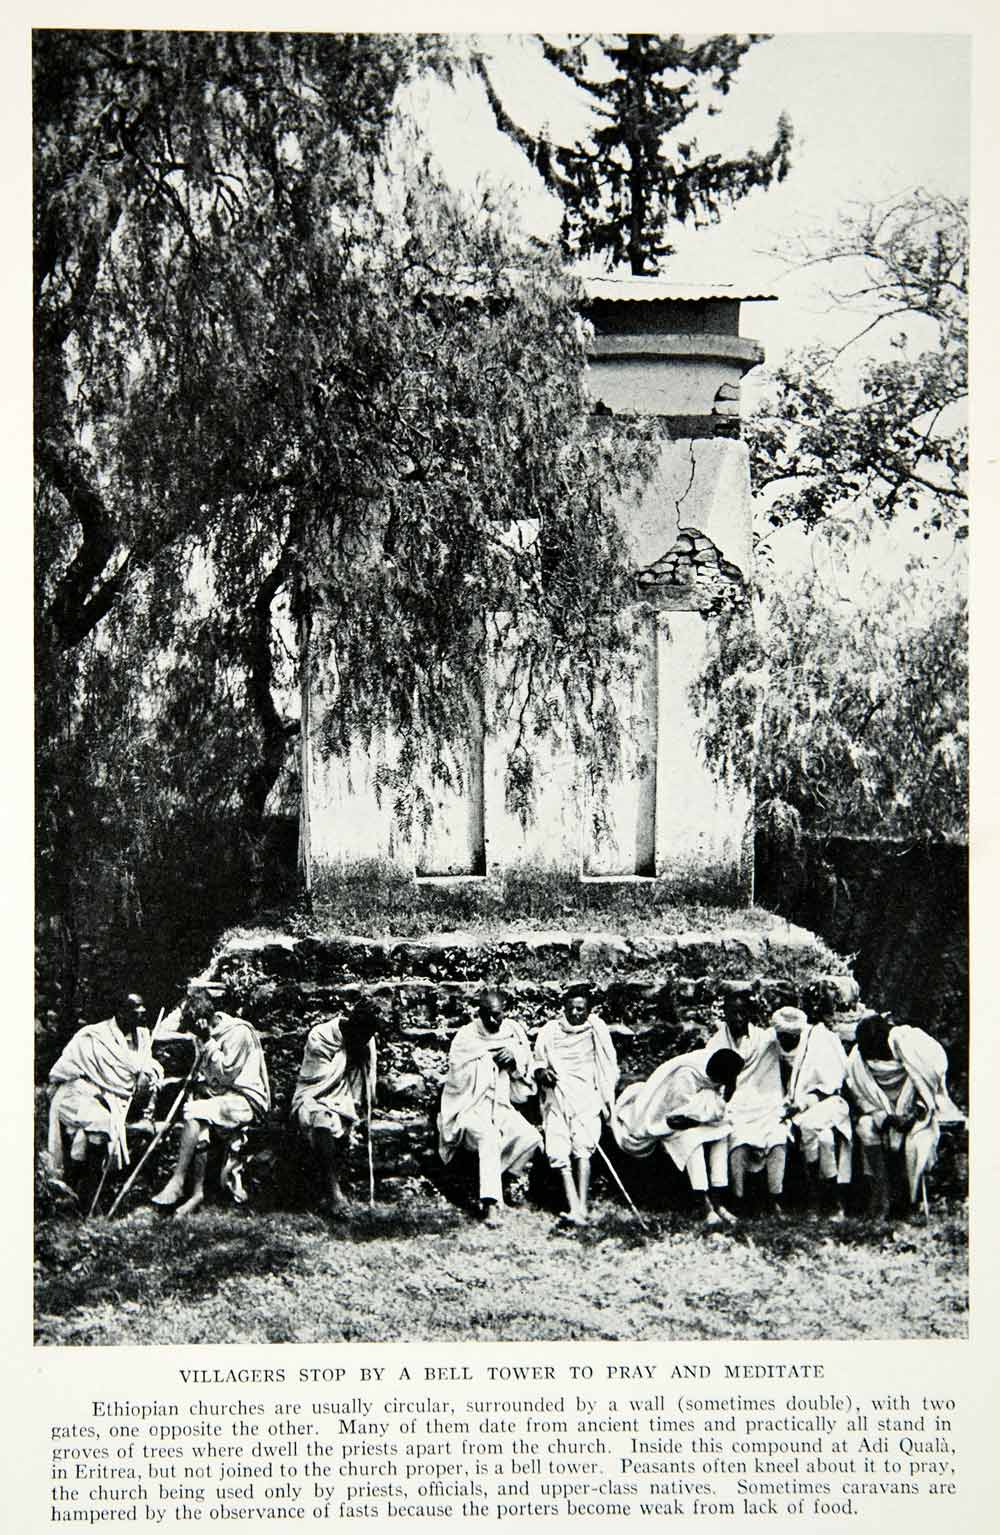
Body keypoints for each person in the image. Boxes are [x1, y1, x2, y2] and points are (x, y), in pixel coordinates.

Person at [152, 985, 270, 1217]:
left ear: (207, 1020)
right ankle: (196, 1194)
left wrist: (207, 1041)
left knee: (195, 1111)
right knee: (200, 1127)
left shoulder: (239, 1032)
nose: (195, 1034)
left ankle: (177, 1179)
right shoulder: (202, 1033)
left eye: (197, 1028)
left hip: (245, 1099)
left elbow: (226, 1074)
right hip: (220, 1099)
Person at [45, 991, 162, 1209]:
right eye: (135, 1008)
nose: (142, 1011)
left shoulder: (144, 1035)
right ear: (120, 1012)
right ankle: (90, 1196)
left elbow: (148, 1063)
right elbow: (64, 1072)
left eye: (142, 1006)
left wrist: (149, 1073)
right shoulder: (93, 1037)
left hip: (115, 1097)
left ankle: (87, 1191)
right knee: (101, 1122)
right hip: (78, 1093)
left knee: (105, 1121)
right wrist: (97, 1093)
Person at [438, 988, 540, 1228]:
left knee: (531, 1138)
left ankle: (497, 1180)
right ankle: (490, 1206)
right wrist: (486, 1061)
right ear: (479, 1013)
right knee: (488, 1136)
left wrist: (513, 1058)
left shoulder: (512, 1032)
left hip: (500, 1106)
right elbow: (457, 1076)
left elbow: (525, 1064)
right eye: (488, 1015)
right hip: (470, 1107)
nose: (494, 1020)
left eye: (498, 1015)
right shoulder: (466, 1037)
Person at [845, 1012, 963, 1220]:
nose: (878, 1059)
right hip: (882, 1112)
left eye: (880, 1053)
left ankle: (910, 1201)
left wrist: (914, 1113)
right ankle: (881, 1194)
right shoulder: (857, 1060)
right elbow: (861, 1096)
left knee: (916, 1144)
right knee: (864, 1127)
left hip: (919, 1113)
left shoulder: (913, 1045)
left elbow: (932, 1086)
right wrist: (886, 1118)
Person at [612, 1046, 744, 1227]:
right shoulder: (687, 1075)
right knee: (692, 1141)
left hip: (696, 1116)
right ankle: (704, 1204)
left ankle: (718, 1201)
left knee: (722, 1134)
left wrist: (707, 1111)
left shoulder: (721, 1068)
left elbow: (722, 1099)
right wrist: (703, 1115)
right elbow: (676, 1118)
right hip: (666, 1118)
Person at [533, 983, 619, 1225]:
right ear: (564, 1008)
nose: (575, 1014)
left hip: (587, 1097)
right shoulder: (550, 1031)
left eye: (580, 1009)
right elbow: (537, 1062)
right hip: (558, 1096)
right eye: (570, 1008)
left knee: (583, 1145)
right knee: (558, 1148)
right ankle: (573, 1207)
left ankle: (582, 1206)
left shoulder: (597, 1029)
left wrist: (603, 1096)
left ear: (588, 1011)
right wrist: (542, 1074)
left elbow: (608, 1065)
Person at [292, 997, 384, 1216]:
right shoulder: (321, 1035)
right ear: (352, 1026)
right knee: (321, 1118)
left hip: (344, 1099)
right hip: (313, 1096)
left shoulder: (363, 1039)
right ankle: (334, 1195)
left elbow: (365, 1081)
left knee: (332, 1117)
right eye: (362, 1036)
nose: (366, 1041)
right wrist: (348, 1056)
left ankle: (330, 1193)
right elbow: (317, 1079)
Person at [707, 990, 789, 1215]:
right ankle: (739, 1200)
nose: (738, 1019)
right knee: (738, 1141)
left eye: (743, 1013)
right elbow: (712, 1079)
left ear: (751, 1014)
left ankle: (774, 1199)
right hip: (736, 1109)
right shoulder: (716, 1043)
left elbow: (791, 1042)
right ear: (725, 1014)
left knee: (777, 1138)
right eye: (732, 1013)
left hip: (766, 1107)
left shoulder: (766, 1040)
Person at [772, 1004, 852, 1220]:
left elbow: (832, 1086)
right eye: (781, 1037)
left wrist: (803, 1103)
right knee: (824, 1139)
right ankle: (823, 1201)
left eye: (790, 1038)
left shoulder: (820, 1041)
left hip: (828, 1104)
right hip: (797, 1110)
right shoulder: (775, 1045)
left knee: (813, 1129)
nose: (785, 1042)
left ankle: (829, 1203)